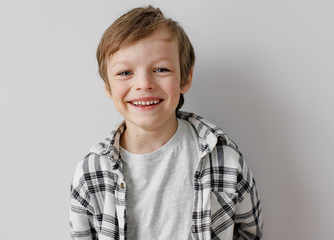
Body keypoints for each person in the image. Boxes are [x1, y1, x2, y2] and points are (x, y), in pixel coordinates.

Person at [69, 6, 263, 240]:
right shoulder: (91, 173)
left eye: (161, 69)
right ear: (108, 87)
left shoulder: (225, 159)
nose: (143, 84)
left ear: (185, 77)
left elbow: (250, 234)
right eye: (125, 73)